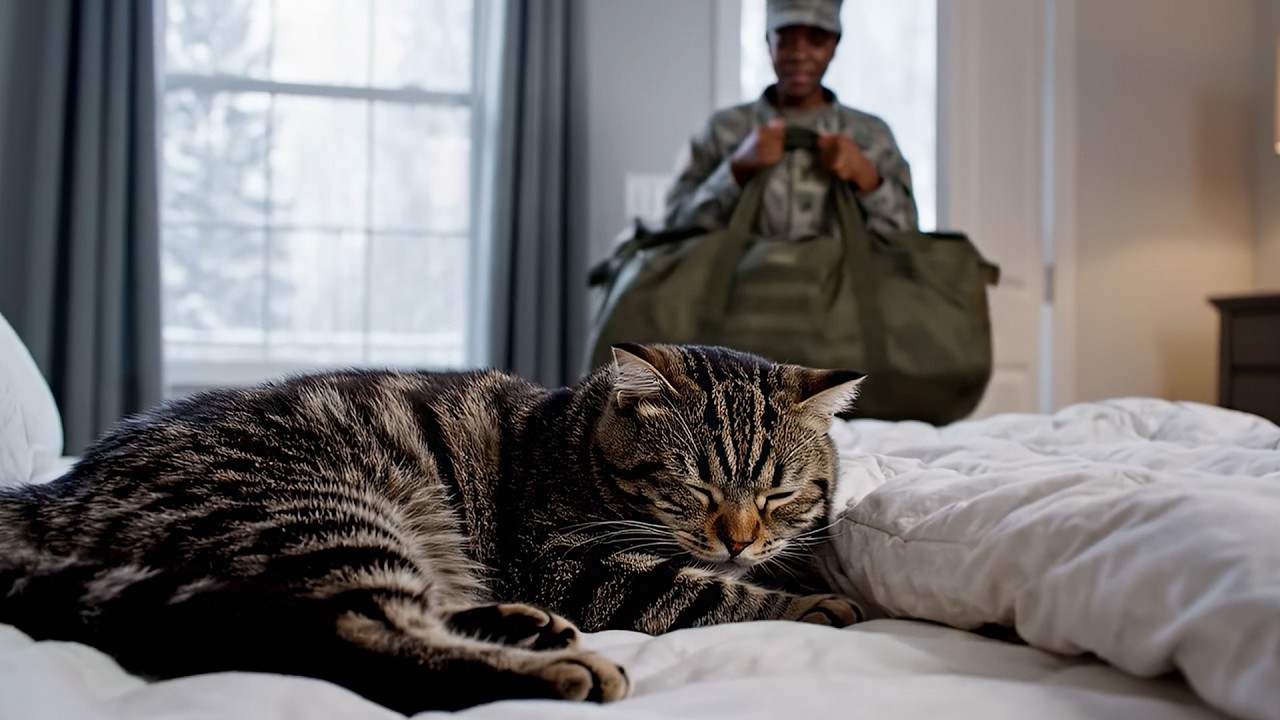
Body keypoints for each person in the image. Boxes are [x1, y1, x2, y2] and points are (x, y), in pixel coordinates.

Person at [663, 0, 918, 239]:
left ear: (834, 44)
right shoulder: (722, 132)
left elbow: (909, 242)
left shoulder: (872, 136)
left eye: (816, 40)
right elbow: (671, 233)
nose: (799, 54)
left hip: (847, 286)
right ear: (768, 41)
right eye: (786, 39)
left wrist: (867, 179)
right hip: (740, 285)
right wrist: (735, 171)